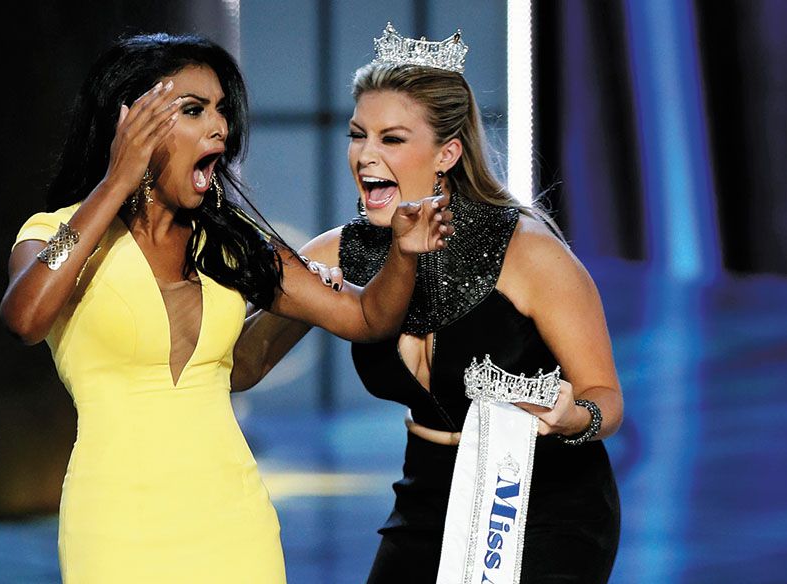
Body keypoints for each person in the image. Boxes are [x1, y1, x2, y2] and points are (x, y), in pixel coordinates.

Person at [0, 33, 453, 583]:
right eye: (194, 110)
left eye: (222, 112)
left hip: (234, 523)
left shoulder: (230, 245)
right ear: (130, 125)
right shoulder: (58, 237)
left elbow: (366, 318)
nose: (220, 127)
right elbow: (25, 316)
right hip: (113, 523)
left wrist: (403, 254)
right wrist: (115, 182)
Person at [238, 24, 622, 583]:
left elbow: (605, 398)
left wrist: (573, 418)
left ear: (446, 153)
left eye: (391, 139)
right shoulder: (334, 254)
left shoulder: (531, 255)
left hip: (545, 501)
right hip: (426, 498)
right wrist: (279, 290)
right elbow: (243, 367)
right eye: (357, 134)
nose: (365, 155)